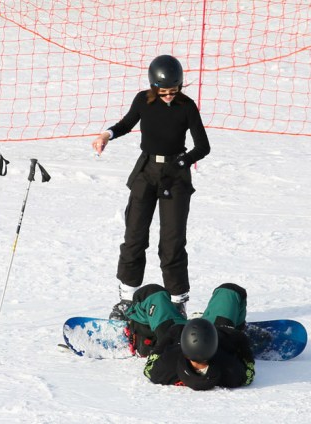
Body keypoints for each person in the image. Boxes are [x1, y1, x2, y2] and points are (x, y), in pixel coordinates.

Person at [91, 55, 211, 320]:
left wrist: (184, 160)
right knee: (134, 236)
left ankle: (177, 301)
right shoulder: (143, 101)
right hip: (146, 171)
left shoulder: (187, 106)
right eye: (163, 92)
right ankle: (126, 301)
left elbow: (203, 146)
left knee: (172, 242)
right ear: (154, 87)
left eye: (174, 91)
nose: (169, 96)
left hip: (176, 176)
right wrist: (106, 135)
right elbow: (125, 124)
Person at [124, 283, 255, 390]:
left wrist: (162, 344)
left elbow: (149, 367)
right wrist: (236, 338)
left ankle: (142, 334)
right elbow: (248, 371)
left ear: (185, 352)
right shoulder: (230, 369)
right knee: (230, 291)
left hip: (172, 333)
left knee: (151, 293)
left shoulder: (167, 366)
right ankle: (201, 318)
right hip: (217, 331)